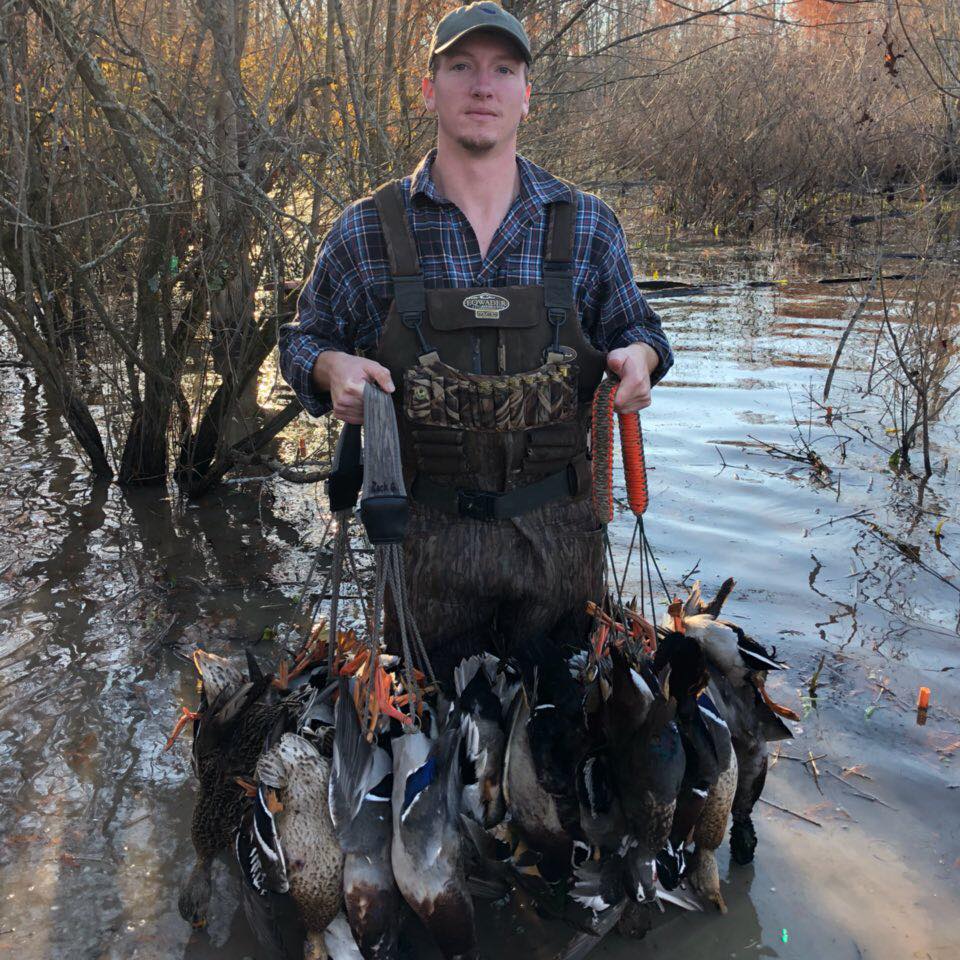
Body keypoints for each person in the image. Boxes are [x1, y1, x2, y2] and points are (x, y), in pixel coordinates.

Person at [280, 1, 673, 683]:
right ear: (430, 90)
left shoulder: (586, 227)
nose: (482, 85)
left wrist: (640, 361)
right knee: (426, 750)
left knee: (563, 746)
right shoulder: (365, 231)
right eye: (460, 67)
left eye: (502, 69)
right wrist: (329, 368)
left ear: (528, 96)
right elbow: (300, 342)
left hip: (562, 548)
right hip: (423, 549)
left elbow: (640, 332)